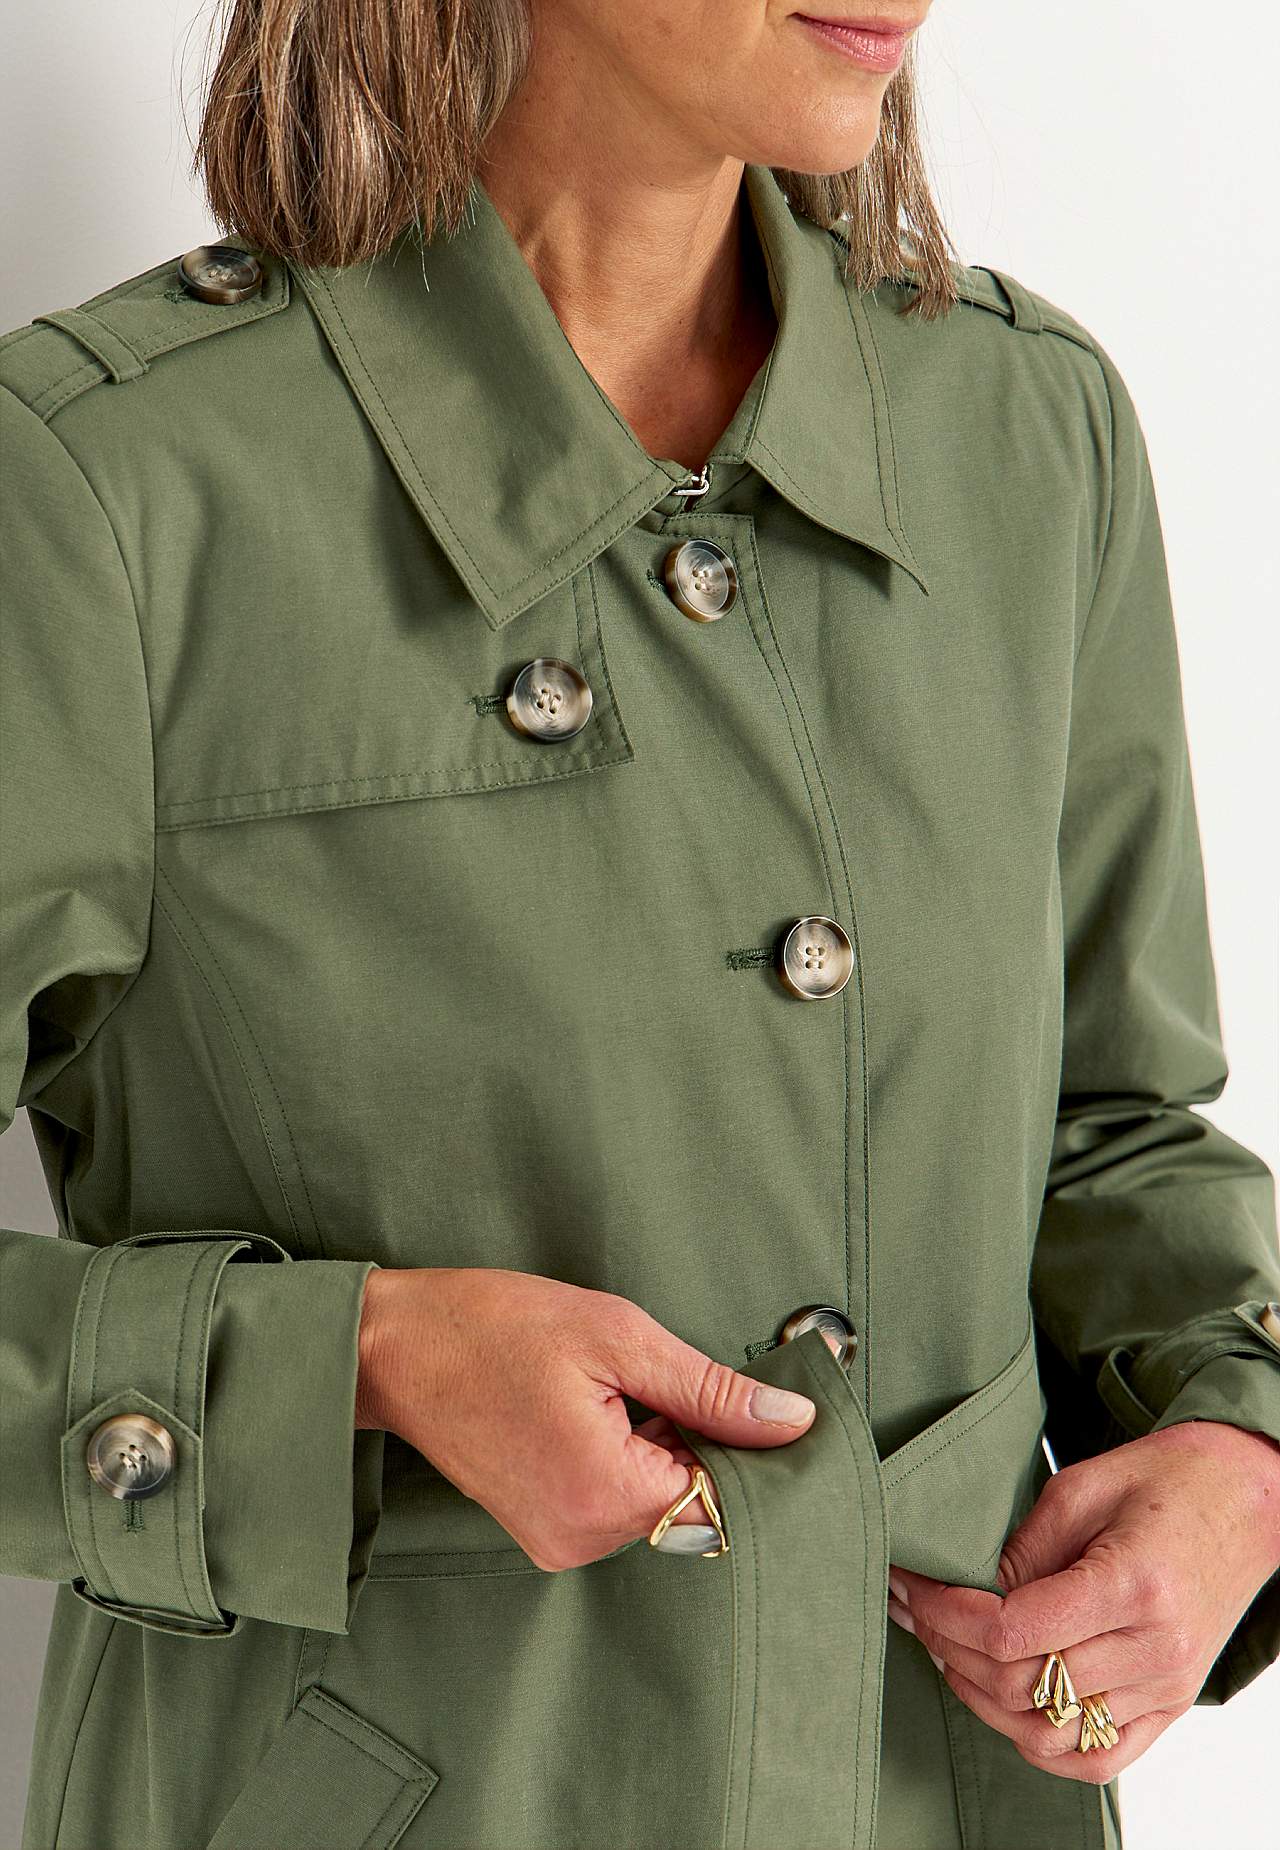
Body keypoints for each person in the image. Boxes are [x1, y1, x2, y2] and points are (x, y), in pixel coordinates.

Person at [2, 4, 1278, 1847]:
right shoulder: (108, 487)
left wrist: (1237, 1447)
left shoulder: (1025, 437)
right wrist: (355, 1360)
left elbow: (1106, 1124)